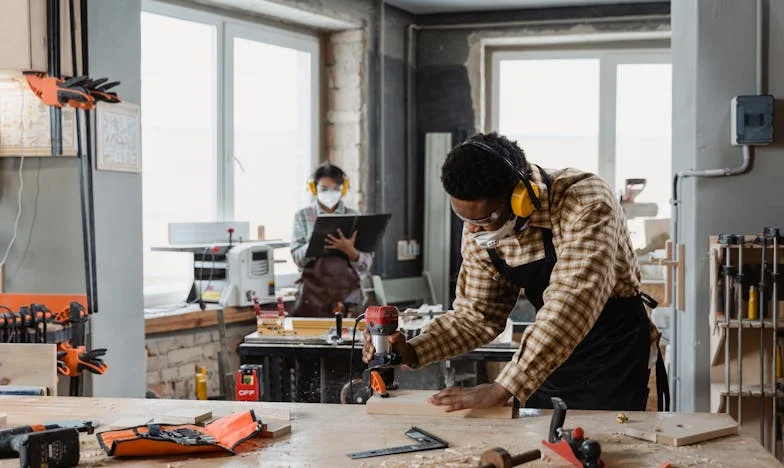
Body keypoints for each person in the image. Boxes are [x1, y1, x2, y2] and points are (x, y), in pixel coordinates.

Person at [363, 131, 668, 412]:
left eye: (484, 219)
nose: (471, 229)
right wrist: (412, 350)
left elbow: (571, 304)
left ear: (521, 197)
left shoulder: (584, 200)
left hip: (610, 351)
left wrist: (503, 386)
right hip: (544, 353)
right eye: (463, 217)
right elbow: (477, 315)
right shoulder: (480, 229)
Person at [290, 163, 373, 317]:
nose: (330, 193)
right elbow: (297, 259)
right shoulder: (302, 216)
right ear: (314, 189)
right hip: (312, 297)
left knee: (351, 339)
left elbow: (366, 265)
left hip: (349, 298)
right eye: (324, 188)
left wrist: (351, 252)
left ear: (343, 189)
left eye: (335, 189)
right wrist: (316, 243)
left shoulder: (355, 217)